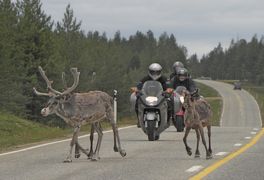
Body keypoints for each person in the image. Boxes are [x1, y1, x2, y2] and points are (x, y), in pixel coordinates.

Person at [133, 63, 172, 127]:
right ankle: (139, 119)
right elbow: (139, 85)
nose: (155, 74)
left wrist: (168, 90)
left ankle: (168, 120)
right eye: (153, 72)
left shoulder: (164, 79)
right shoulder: (145, 78)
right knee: (137, 101)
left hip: (160, 96)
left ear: (160, 72)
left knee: (170, 102)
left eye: (157, 72)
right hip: (147, 96)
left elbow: (169, 86)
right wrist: (137, 89)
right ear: (149, 71)